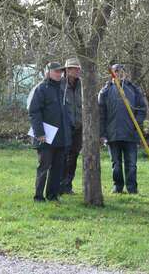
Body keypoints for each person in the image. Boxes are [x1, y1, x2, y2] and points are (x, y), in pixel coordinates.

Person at [98, 64, 147, 194]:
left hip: (131, 133)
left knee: (131, 164)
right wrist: (102, 134)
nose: (119, 74)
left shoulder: (134, 89)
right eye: (116, 71)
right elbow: (101, 114)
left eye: (122, 71)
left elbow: (142, 109)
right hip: (112, 134)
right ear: (112, 74)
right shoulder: (105, 91)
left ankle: (132, 188)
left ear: (125, 73)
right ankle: (117, 187)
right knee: (116, 164)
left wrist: (137, 122)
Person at [29, 62, 72, 202]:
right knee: (43, 167)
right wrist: (39, 133)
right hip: (45, 137)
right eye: (56, 71)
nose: (59, 74)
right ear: (48, 72)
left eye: (60, 72)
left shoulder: (62, 89)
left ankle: (53, 196)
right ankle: (38, 197)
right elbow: (34, 112)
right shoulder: (41, 89)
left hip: (61, 137)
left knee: (57, 169)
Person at [59, 58, 83, 195]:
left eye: (78, 68)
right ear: (67, 70)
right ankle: (59, 185)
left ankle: (68, 185)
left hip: (78, 127)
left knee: (73, 157)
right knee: (63, 157)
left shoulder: (82, 85)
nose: (77, 71)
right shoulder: (60, 85)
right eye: (74, 68)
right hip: (64, 128)